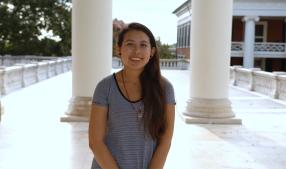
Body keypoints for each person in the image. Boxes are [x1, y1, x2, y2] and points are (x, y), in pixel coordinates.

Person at [88, 22, 176, 169]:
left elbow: (165, 140)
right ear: (119, 49)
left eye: (143, 45)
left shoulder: (165, 88)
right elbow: (95, 142)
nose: (136, 51)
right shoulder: (105, 87)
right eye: (130, 44)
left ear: (152, 51)